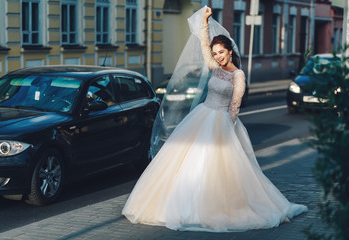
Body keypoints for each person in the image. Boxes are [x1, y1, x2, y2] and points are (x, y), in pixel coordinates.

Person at [122, 6, 307, 232]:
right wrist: (205, 23)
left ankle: (217, 208)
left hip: (221, 122)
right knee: (185, 163)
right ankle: (182, 203)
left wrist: (227, 131)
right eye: (216, 52)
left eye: (221, 52)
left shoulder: (238, 75)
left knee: (217, 170)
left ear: (230, 51)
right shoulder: (214, 68)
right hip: (202, 116)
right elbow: (203, 45)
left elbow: (235, 106)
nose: (218, 56)